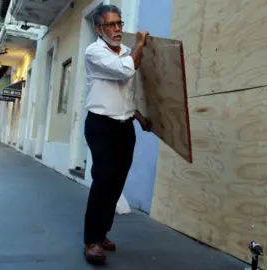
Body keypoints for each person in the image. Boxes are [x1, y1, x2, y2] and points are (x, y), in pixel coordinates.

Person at [82, 4, 150, 264]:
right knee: (104, 180)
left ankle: (102, 232)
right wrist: (141, 43)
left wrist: (140, 117)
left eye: (119, 23)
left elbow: (127, 92)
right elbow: (125, 71)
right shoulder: (94, 52)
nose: (118, 29)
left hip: (124, 126)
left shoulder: (124, 51)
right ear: (99, 29)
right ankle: (92, 240)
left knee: (117, 181)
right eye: (111, 25)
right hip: (101, 126)